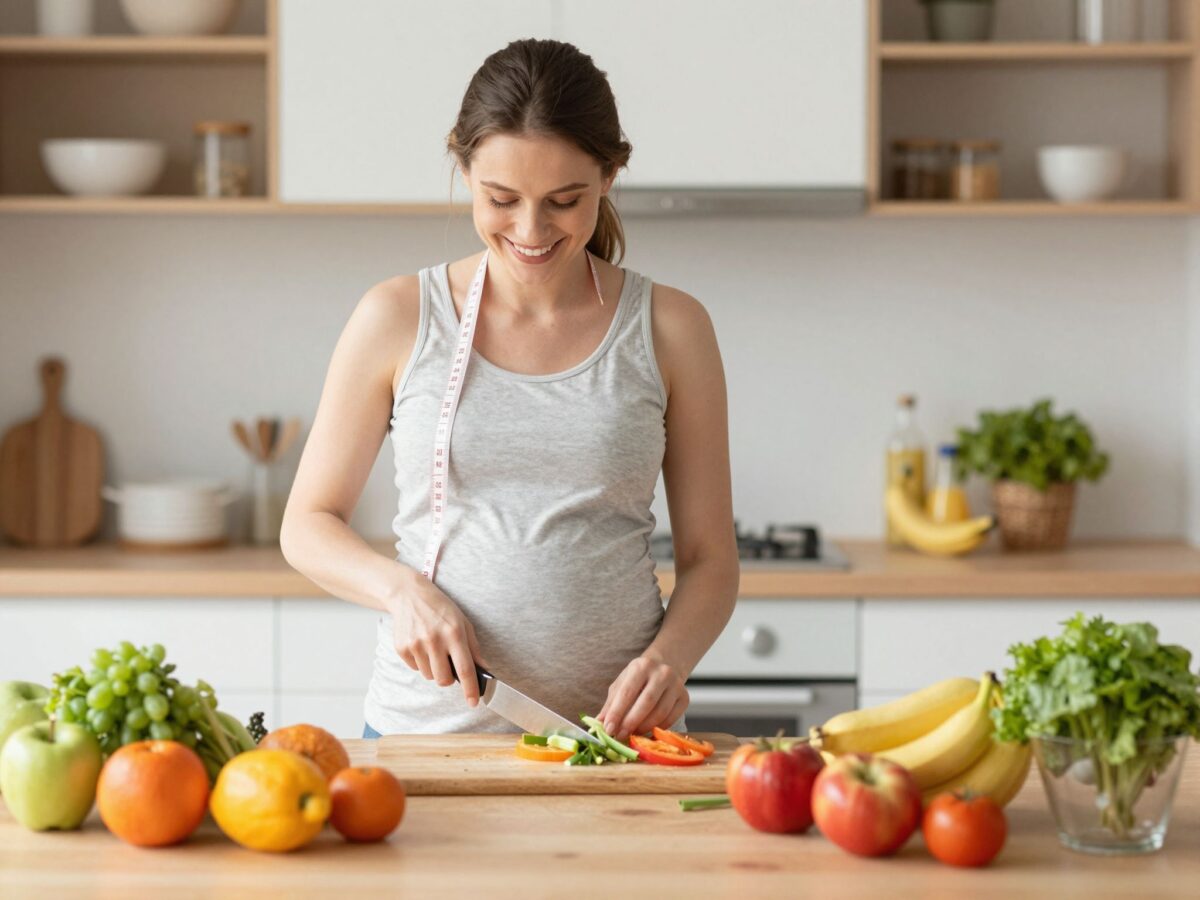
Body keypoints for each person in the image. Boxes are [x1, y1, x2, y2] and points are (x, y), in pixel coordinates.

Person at [280, 38, 738, 743]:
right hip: (427, 735)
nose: (529, 230)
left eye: (564, 201)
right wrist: (400, 591)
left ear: (611, 174)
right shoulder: (399, 316)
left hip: (611, 742)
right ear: (462, 167)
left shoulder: (673, 328)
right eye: (501, 199)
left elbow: (711, 559)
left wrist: (670, 659)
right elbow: (307, 523)